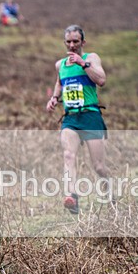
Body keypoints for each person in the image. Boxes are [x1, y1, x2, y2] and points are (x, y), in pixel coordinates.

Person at [46, 25, 109, 214]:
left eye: (76, 41)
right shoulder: (61, 65)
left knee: (98, 166)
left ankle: (111, 192)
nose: (72, 45)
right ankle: (72, 196)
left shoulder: (91, 58)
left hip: (90, 116)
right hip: (71, 118)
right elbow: (59, 83)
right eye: (69, 42)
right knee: (68, 155)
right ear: (65, 43)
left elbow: (102, 80)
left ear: (83, 42)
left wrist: (83, 63)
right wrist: (54, 98)